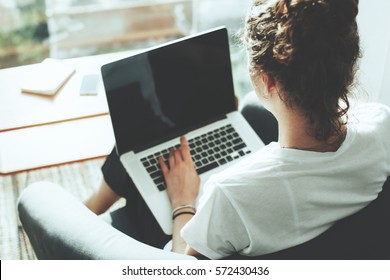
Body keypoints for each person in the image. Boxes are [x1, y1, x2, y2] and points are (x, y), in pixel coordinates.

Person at [85, 0, 390, 259]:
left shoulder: (230, 195)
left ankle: (90, 211)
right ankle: (96, 203)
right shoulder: (381, 124)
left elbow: (181, 267)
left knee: (142, 141)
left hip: (174, 239)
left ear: (268, 81)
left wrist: (183, 202)